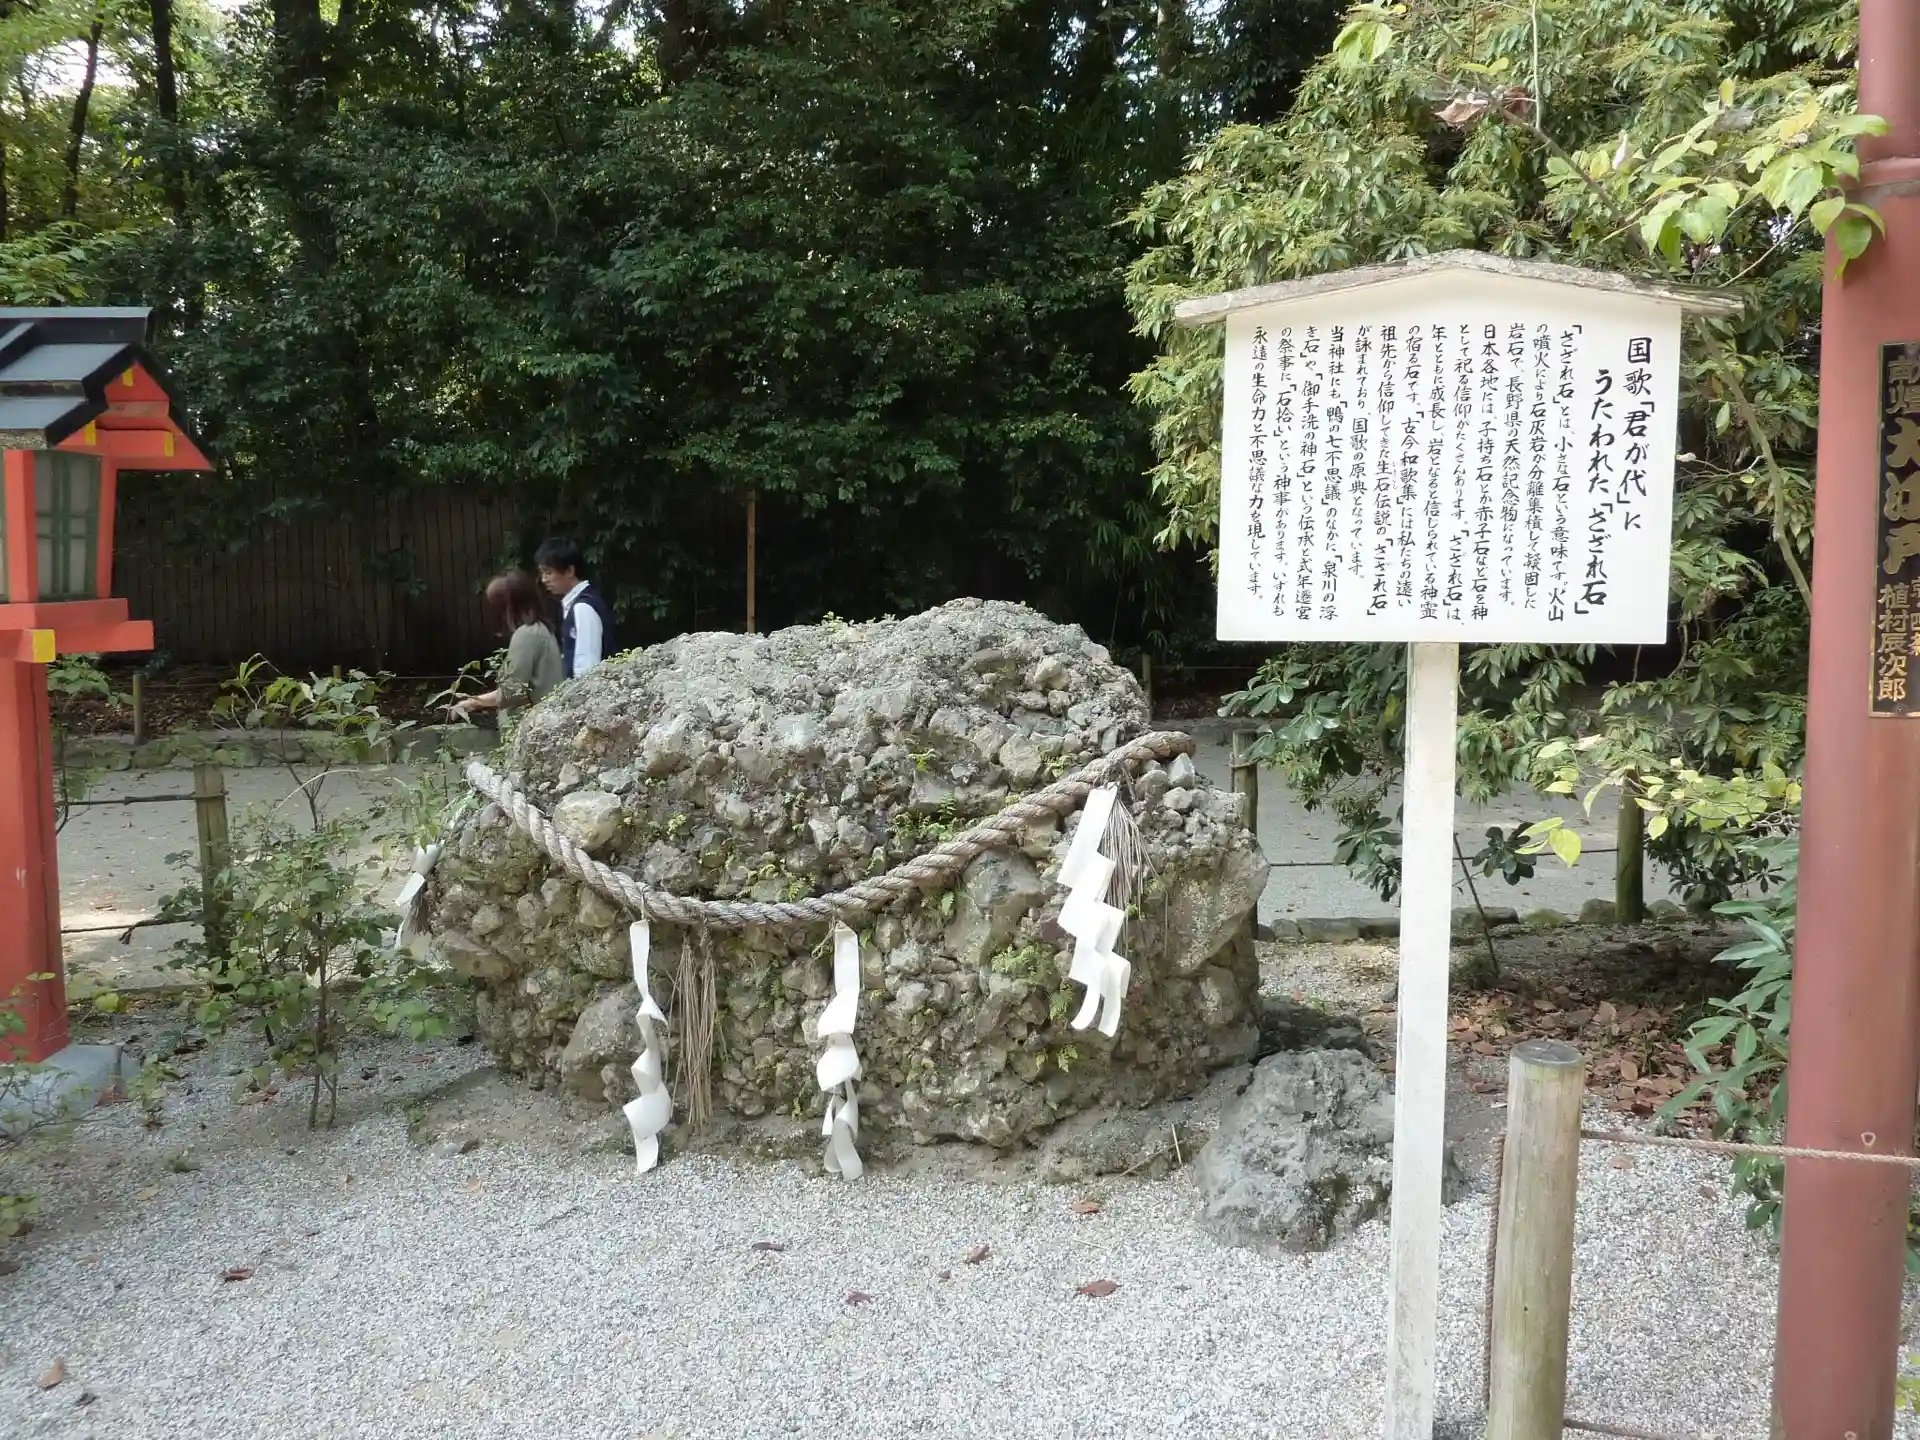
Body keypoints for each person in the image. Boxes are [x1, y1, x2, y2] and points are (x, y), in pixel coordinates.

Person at [450, 569, 564, 721]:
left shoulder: (526, 634)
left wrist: (472, 702)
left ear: (508, 607)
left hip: (532, 726)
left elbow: (510, 692)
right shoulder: (541, 629)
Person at [535, 536, 615, 680]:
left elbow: (587, 668)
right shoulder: (575, 604)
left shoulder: (583, 608)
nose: (544, 579)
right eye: (542, 573)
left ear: (569, 571)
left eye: (548, 573)